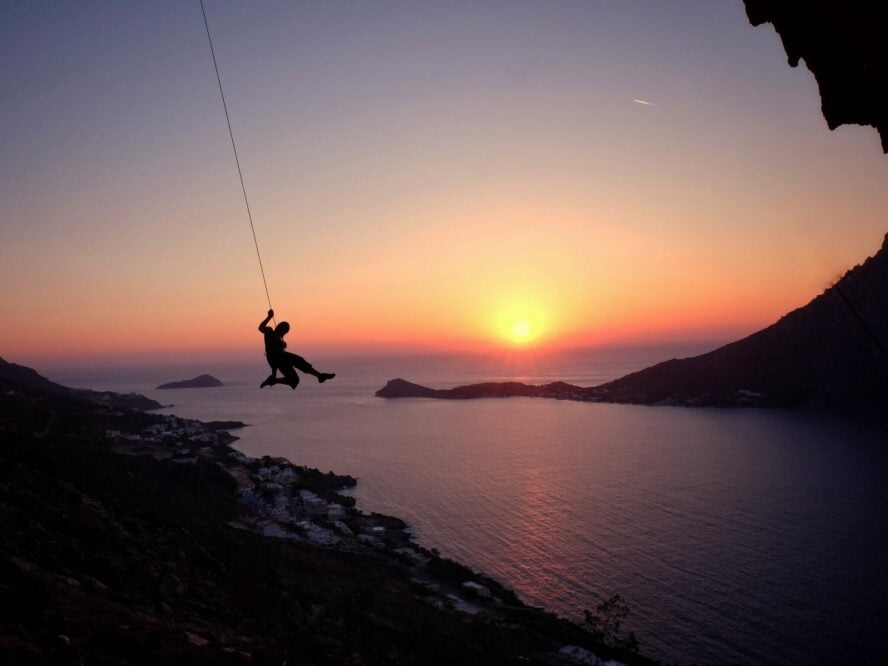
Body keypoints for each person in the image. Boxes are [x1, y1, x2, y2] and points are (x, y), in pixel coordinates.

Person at [258, 309, 335, 389]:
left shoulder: (280, 339)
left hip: (279, 361)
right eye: (284, 330)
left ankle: (273, 380)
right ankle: (320, 376)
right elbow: (261, 328)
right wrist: (269, 317)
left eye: (285, 331)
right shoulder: (269, 331)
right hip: (277, 358)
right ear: (279, 327)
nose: (284, 333)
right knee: (299, 360)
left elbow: (274, 362)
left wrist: (274, 376)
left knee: (295, 380)